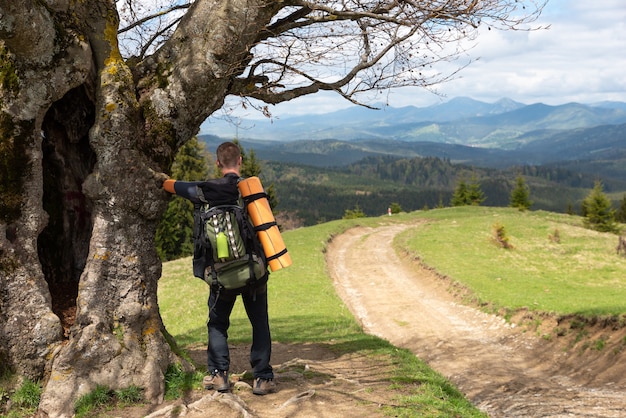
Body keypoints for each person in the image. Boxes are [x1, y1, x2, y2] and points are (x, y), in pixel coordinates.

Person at [162, 141, 275, 395]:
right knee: (259, 323)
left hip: (220, 276)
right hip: (253, 272)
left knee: (217, 324)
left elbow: (171, 186)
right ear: (240, 161)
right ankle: (263, 378)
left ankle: (219, 375)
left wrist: (161, 179)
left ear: (217, 163)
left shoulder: (203, 191)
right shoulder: (250, 189)